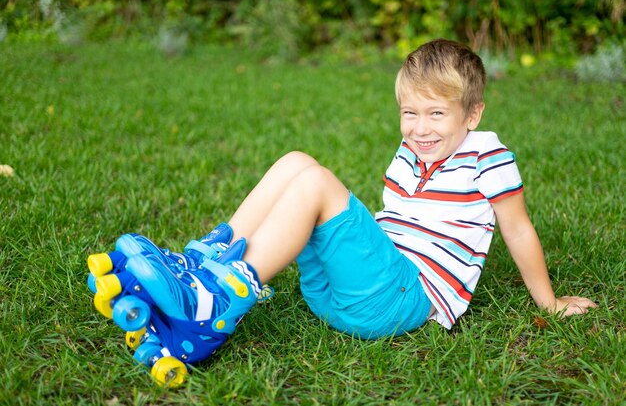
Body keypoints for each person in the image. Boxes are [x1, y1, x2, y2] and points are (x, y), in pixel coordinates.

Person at [91, 39, 597, 382]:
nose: (419, 128)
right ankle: (204, 264)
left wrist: (549, 303)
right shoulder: (412, 154)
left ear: (473, 114)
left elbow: (518, 228)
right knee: (296, 161)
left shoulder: (487, 155)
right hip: (339, 295)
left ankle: (214, 306)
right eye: (409, 113)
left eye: (437, 113)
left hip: (402, 299)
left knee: (316, 183)